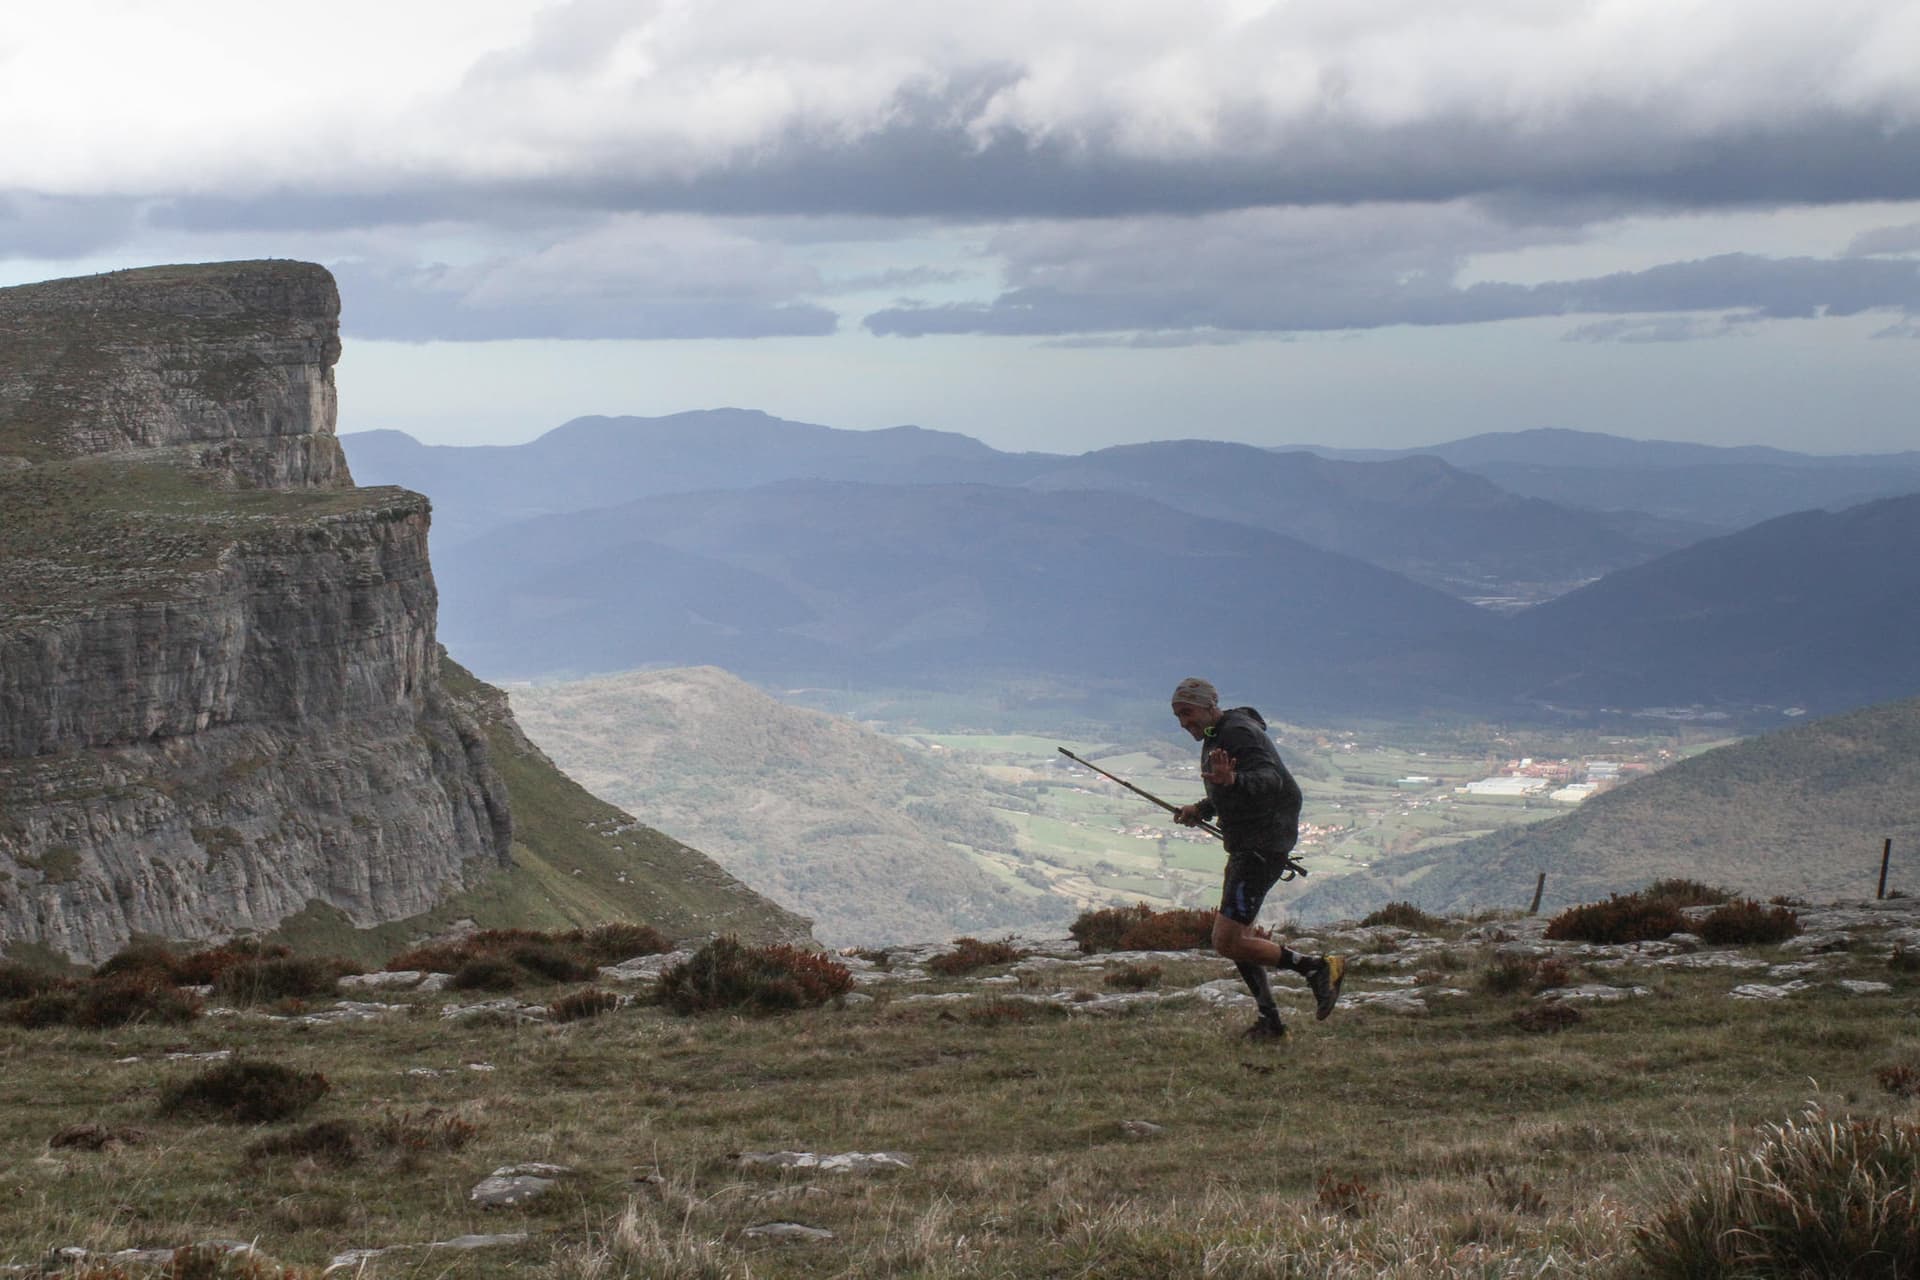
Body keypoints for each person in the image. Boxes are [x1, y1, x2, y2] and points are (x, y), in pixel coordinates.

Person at [1170, 677, 1343, 1040]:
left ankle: (1316, 968)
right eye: (1178, 715)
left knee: (1228, 940)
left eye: (1187, 713)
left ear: (1207, 706)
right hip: (1254, 841)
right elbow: (1229, 785)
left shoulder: (1237, 733)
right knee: (1238, 938)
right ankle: (1271, 1022)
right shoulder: (1219, 733)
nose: (1183, 722)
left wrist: (1232, 782)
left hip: (1261, 844)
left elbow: (1269, 779)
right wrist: (1203, 808)